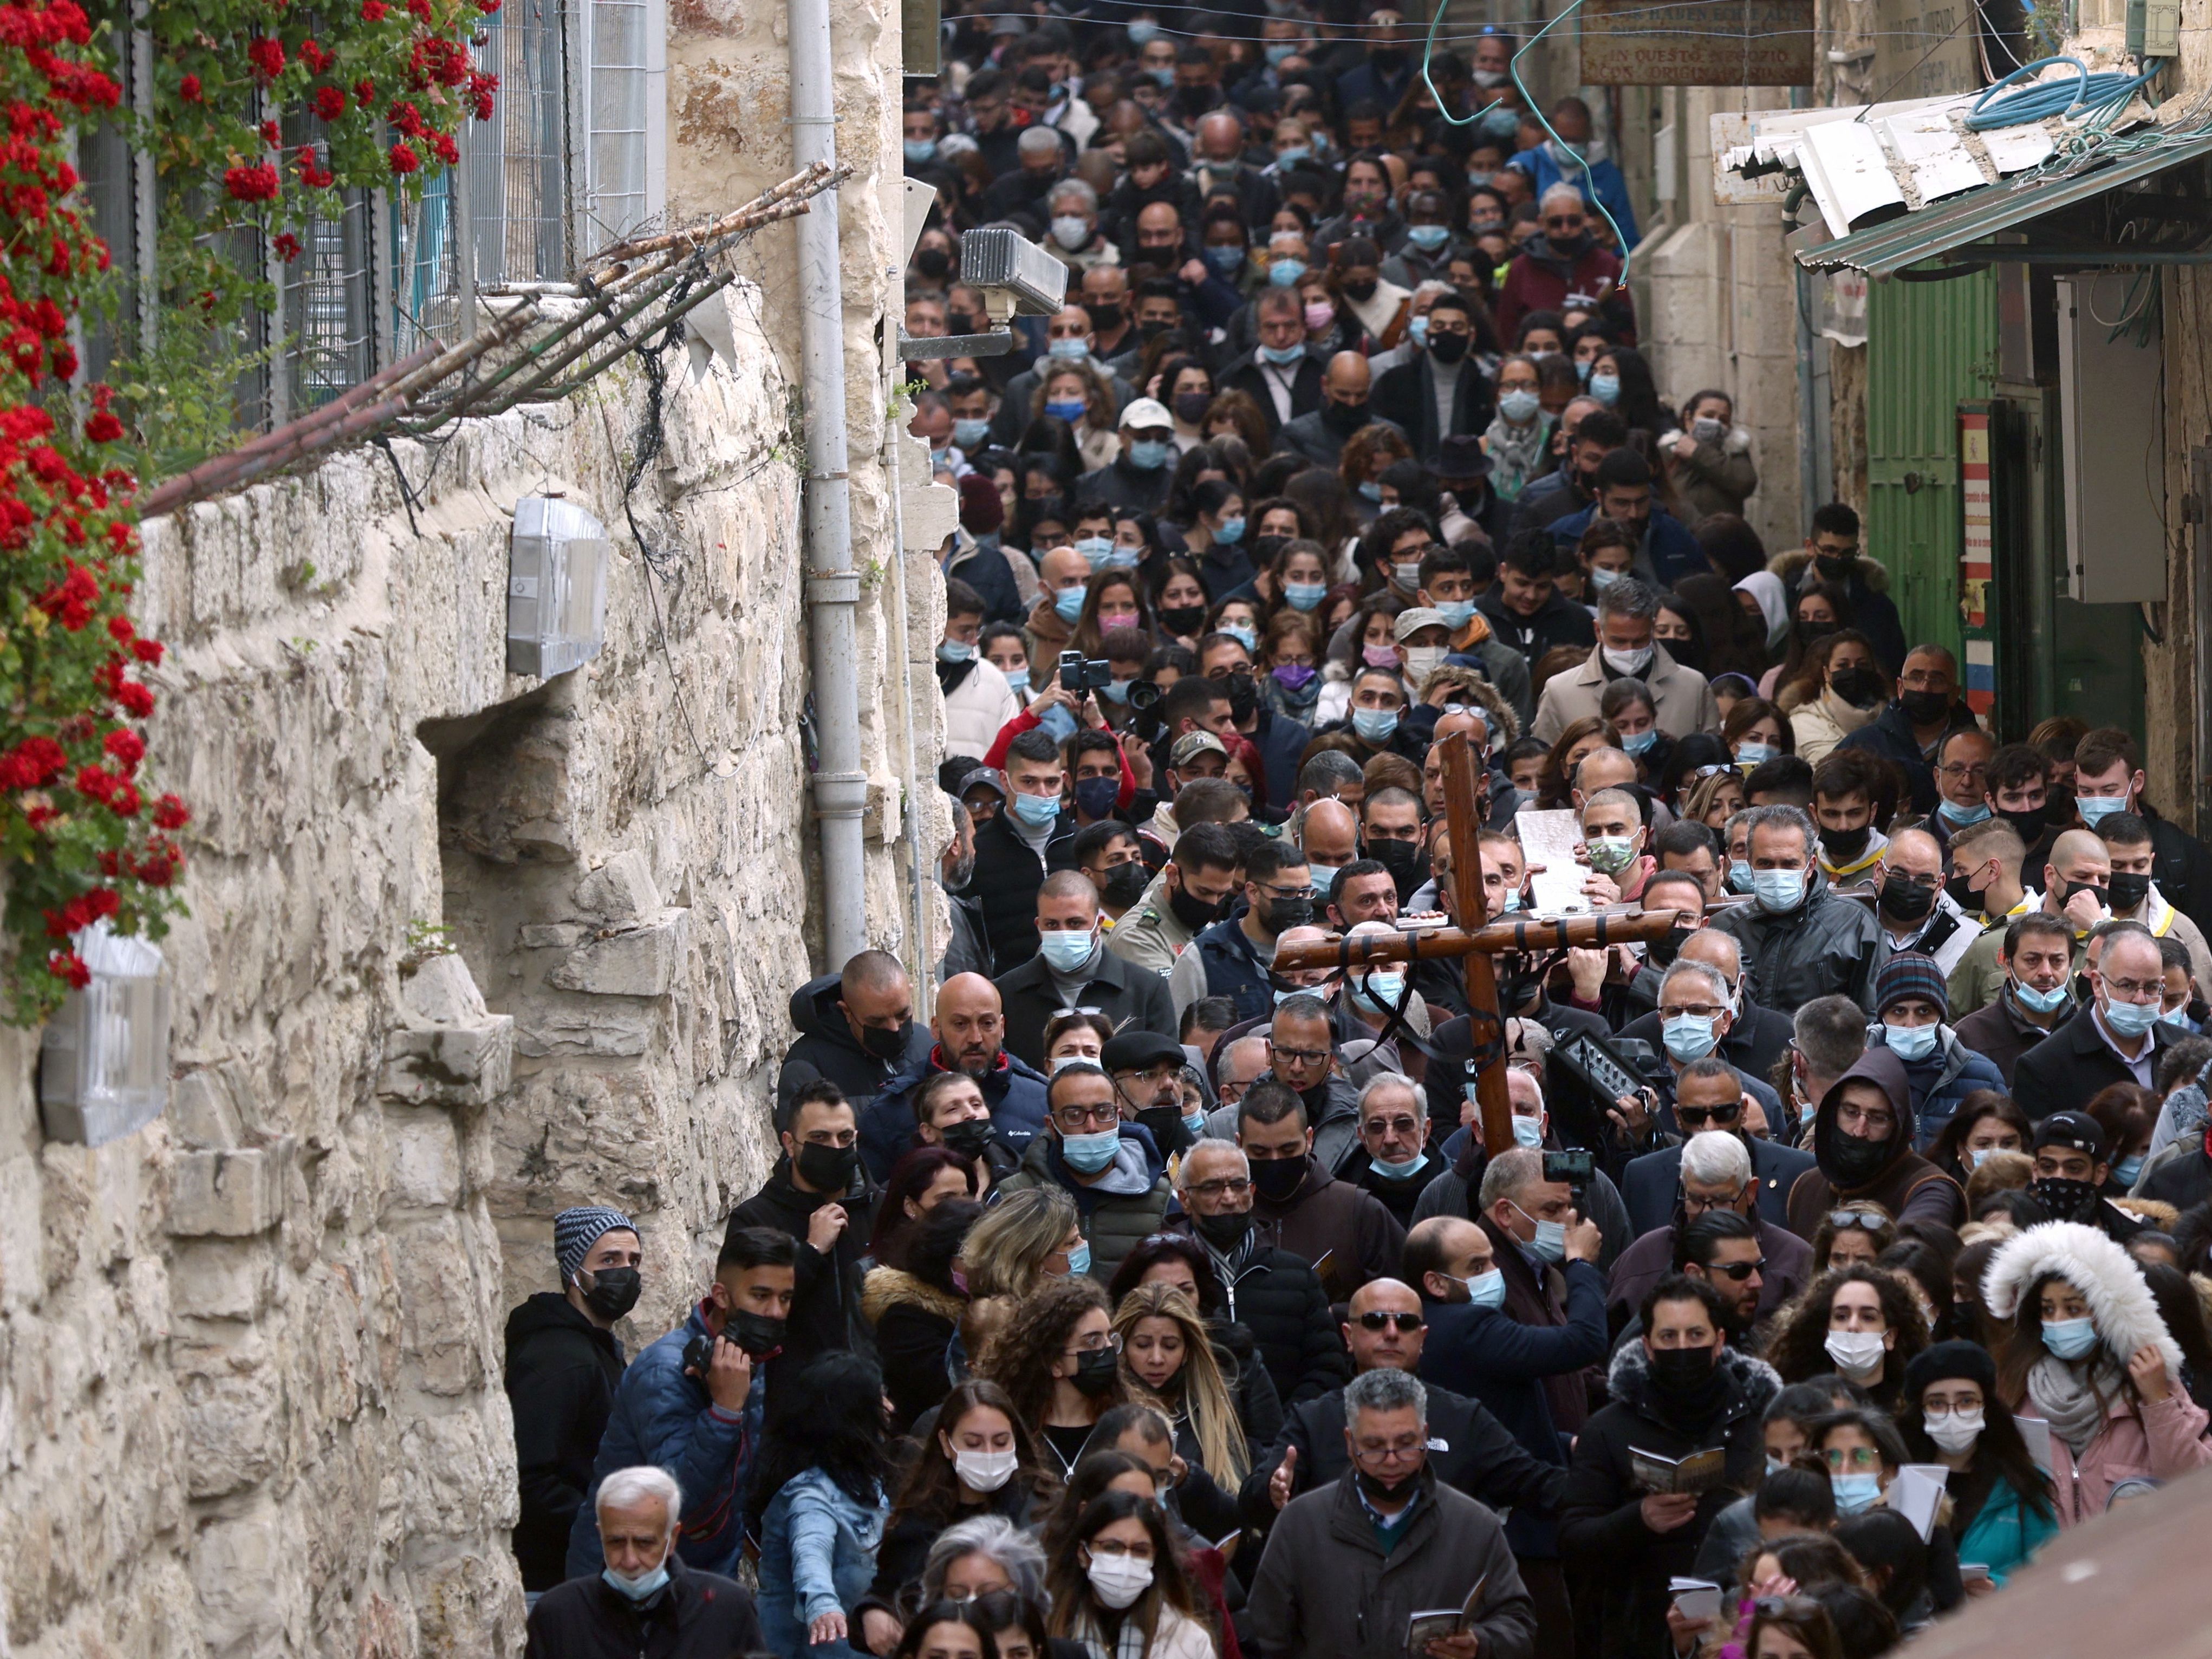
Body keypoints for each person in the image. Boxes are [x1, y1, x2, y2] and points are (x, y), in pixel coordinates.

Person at [1240, 1277, 1565, 1554]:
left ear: (1422, 1338)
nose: (1392, 1332)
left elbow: (1538, 1486)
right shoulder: (1313, 1419)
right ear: (1348, 1336)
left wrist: (1593, 1468)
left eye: (1406, 1323)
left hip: (1438, 1589)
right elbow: (1256, 1501)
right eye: (1375, 1321)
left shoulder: (1464, 1418)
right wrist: (1271, 1493)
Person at [1246, 1368, 1539, 1659]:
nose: (1391, 1461)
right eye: (1374, 1447)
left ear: (1425, 1437)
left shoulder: (1475, 1526)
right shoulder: (1300, 1524)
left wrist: (1481, 1644)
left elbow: (1519, 1626)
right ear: (1350, 1443)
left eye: (1406, 1445)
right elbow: (1263, 1639)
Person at [1560, 1276, 1781, 1659]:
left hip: (1748, 1624)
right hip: (1639, 1632)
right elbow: (1574, 1540)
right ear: (1648, 1346)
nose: (1683, 1348)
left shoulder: (1761, 1421)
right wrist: (1639, 1518)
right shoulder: (1608, 1428)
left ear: (1719, 1340)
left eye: (1696, 1335)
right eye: (1668, 1337)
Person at [567, 1226, 796, 1578]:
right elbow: (679, 1500)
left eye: (785, 1298)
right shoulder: (665, 1371)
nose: (776, 1311)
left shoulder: (745, 1358)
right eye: (761, 1295)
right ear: (722, 1296)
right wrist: (724, 1412)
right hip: (628, 1575)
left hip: (706, 1569)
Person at [1985, 1218, 2212, 1523]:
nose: (2058, 1320)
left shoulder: (2151, 1385)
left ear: (2106, 1311)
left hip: (2128, 1550)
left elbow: (2191, 1483)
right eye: (2048, 1309)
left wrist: (2158, 1402)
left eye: (2074, 1308)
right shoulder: (2017, 1389)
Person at [508, 1207, 643, 1596]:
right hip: (556, 1580)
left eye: (633, 1260)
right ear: (575, 1273)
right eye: (609, 1260)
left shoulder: (597, 1348)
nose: (625, 1272)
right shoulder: (560, 1359)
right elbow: (529, 1476)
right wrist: (605, 1525)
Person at [1163, 1137, 1351, 1408]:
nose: (1229, 1199)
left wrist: (1285, 1426)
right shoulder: (1162, 1276)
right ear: (1185, 1199)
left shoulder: (1297, 1276)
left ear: (1252, 1193)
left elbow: (1326, 1369)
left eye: (1238, 1186)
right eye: (1212, 1188)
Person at [728, 1079, 881, 1388]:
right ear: (790, 1143)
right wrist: (810, 1251)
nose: (835, 1148)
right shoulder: (756, 1219)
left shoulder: (882, 1209)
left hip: (875, 1395)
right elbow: (747, 1313)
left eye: (845, 1137)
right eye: (819, 1138)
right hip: (795, 1396)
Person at [524, 1466, 765, 1659]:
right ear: (601, 1535)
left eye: (644, 1543)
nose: (630, 1560)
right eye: (616, 1542)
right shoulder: (557, 1615)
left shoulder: (727, 1609)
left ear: (672, 1539)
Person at [752, 1351, 893, 1659]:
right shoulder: (809, 1494)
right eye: (879, 1398)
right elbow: (811, 1547)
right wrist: (822, 1604)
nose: (890, 1408)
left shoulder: (863, 1482)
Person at [1608, 1133, 1813, 1331]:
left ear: (1751, 1191)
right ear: (1684, 1189)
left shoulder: (1793, 1262)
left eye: (1722, 1201)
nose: (1707, 1213)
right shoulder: (1642, 1260)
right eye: (1696, 1201)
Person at [873, 1377, 1052, 1600]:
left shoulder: (1040, 1510)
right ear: (946, 1443)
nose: (989, 1453)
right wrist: (875, 1610)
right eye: (973, 1443)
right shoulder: (917, 1521)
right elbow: (887, 1591)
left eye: (1000, 1442)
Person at [861, 973, 1051, 1180]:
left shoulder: (1043, 1100)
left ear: (1002, 1027)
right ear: (936, 1028)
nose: (975, 1038)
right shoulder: (890, 1113)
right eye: (961, 1024)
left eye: (987, 1023)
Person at [1897, 1341, 2057, 1587]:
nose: (1952, 1414)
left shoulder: (2023, 1484)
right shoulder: (1900, 1482)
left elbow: (2052, 1574)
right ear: (1922, 1411)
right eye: (1937, 1403)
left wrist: (1996, 1587)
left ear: (1986, 1409)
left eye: (1966, 1401)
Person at [996, 1062, 1171, 1285]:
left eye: (1103, 1112)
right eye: (1074, 1115)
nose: (1091, 1126)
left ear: (1119, 1117)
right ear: (1051, 1125)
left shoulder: (1160, 1196)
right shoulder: (1014, 1197)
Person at [1237, 1079, 1406, 1299]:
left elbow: (1402, 1298)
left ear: (1309, 1139)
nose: (1275, 1160)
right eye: (1260, 1153)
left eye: (1288, 1149)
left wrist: (1333, 1313)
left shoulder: (1358, 1210)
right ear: (1239, 1145)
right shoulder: (1229, 1212)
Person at [995, 872, 1178, 1071]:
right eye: (1052, 925)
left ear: (1098, 924)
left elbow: (1165, 1071)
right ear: (1039, 927)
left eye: (1075, 923)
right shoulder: (1005, 993)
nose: (1063, 933)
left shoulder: (1147, 990)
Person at [1710, 805, 1879, 1012]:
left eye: (1789, 864)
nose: (1777, 873)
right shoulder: (1722, 930)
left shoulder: (1855, 925)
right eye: (1766, 864)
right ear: (1750, 864)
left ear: (1810, 866)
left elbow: (1872, 1014)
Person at [2013, 920, 2182, 1122]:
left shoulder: (2192, 1052)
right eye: (2126, 986)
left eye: (2151, 987)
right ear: (2097, 984)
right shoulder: (2043, 1067)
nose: (2140, 999)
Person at [1784, 1049, 1964, 1237]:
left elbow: (1910, 1248)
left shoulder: (1927, 1189)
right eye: (1851, 1113)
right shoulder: (1807, 1187)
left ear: (1897, 1125)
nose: (1860, 1130)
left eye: (1877, 1118)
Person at [979, 1273, 1132, 1482]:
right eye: (1093, 1341)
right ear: (1056, 1363)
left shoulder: (1128, 1428)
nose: (1108, 1349)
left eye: (1110, 1338)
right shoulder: (1012, 1432)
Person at [1112, 1281, 1265, 1487]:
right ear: (1122, 1347)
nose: (1156, 1359)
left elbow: (1235, 1497)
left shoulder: (1217, 1406)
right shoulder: (1104, 1406)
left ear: (1186, 1351)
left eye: (1170, 1346)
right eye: (1143, 1345)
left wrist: (1188, 1481)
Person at [1531, 577, 1717, 743]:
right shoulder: (1560, 693)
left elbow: (1715, 761)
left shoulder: (1693, 688)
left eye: (1640, 640)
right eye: (1619, 641)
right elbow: (1545, 766)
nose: (1630, 650)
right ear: (1598, 631)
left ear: (1652, 628)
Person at [1044, 1490, 1217, 1659]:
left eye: (1140, 1551)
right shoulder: (1046, 1629)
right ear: (1083, 1554)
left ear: (1154, 1557)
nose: (1126, 1561)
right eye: (1111, 1547)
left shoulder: (1187, 1639)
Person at [1859, 951, 2006, 1149]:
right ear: (1882, 1017)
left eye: (1924, 1011)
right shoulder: (1855, 1075)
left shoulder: (1984, 1077)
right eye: (1899, 1011)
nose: (1911, 1024)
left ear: (1941, 1016)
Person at [865, 1195, 978, 1432]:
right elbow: (946, 1386)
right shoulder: (904, 1316)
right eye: (972, 1257)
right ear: (943, 1256)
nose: (982, 1267)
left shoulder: (986, 1300)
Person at [1168, 839, 1313, 1021]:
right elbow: (1175, 1031)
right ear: (1253, 893)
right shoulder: (1203, 957)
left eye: (1306, 892)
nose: (1299, 902)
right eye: (1287, 893)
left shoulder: (1319, 950)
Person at [777, 949, 931, 1115]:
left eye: (902, 1014)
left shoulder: (927, 1043)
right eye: (877, 1021)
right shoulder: (807, 1066)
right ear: (847, 1012)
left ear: (910, 992)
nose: (894, 1028)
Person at [1951, 913, 2078, 1085]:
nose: (2046, 972)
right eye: (2032, 960)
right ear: (2008, 966)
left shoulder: (2089, 1029)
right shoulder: (1970, 1037)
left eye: (2057, 961)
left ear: (2070, 964)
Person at [1109, 821, 1244, 978]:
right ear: (1173, 875)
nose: (1213, 903)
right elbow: (1173, 992)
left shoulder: (1191, 924)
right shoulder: (1137, 938)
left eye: (1222, 894)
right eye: (1204, 892)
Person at [2023, 1110, 2144, 1241]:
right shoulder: (2012, 1224)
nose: (2059, 1176)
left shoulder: (2131, 1236)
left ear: (2099, 1174)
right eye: (2048, 1167)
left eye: (2074, 1169)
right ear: (2035, 1171)